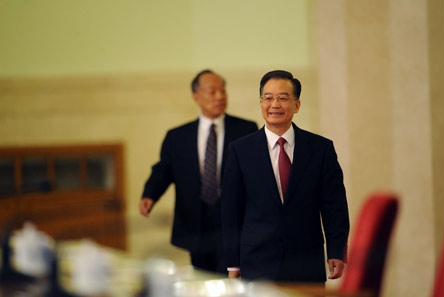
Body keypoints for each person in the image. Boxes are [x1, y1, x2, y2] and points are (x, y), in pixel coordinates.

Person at [221, 70, 350, 283]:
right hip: (257, 262)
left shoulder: (320, 149)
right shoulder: (240, 150)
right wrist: (233, 263)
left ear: (297, 105)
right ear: (260, 102)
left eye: (283, 98)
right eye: (268, 98)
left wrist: (337, 251)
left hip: (306, 262)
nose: (275, 105)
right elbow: (231, 211)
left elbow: (334, 205)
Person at [139, 69, 258, 274]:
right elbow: (164, 169)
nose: (220, 96)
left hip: (233, 219)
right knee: (203, 277)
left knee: (232, 276)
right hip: (195, 220)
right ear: (196, 96)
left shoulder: (245, 129)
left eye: (223, 91)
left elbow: (257, 173)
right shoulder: (177, 136)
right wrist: (150, 194)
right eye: (212, 92)